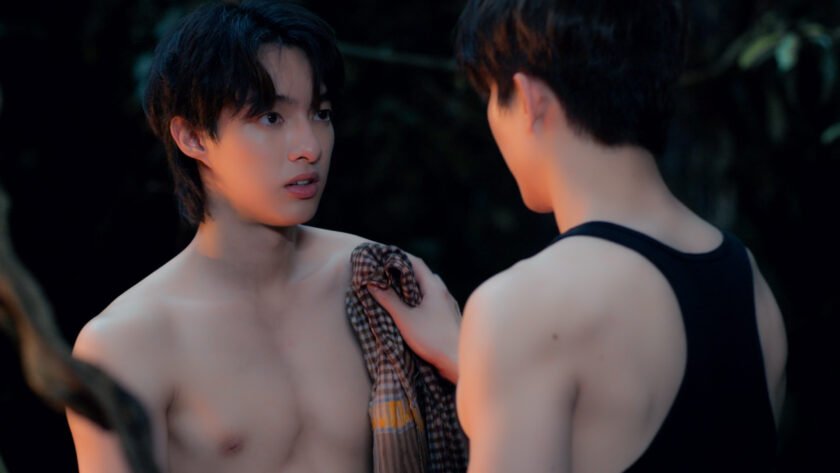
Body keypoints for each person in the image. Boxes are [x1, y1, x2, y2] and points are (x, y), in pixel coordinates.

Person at [375, 0, 788, 471]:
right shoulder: (749, 282)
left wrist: (497, 347)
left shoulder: (523, 305)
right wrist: (479, 363)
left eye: (490, 94)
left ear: (529, 99)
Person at [65, 1, 459, 472]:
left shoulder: (377, 279)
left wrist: (462, 362)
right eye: (271, 118)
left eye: (321, 113)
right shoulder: (128, 342)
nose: (309, 147)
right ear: (193, 137)